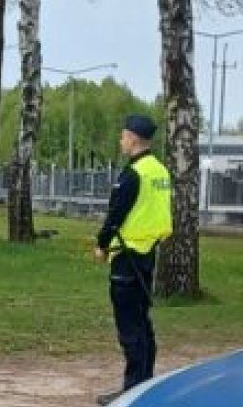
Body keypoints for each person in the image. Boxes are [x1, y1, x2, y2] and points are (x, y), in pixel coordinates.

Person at [93, 115, 173, 406]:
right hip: (148, 253)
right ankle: (145, 384)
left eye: (123, 136)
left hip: (126, 256)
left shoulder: (133, 174)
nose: (121, 141)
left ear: (134, 138)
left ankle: (132, 392)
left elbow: (115, 216)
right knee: (142, 321)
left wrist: (101, 244)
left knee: (130, 326)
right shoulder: (160, 171)